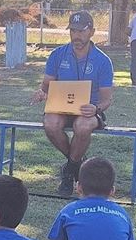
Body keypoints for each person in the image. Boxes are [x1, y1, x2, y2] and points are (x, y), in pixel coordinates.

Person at [30, 10, 114, 196]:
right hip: (62, 107)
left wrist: (96, 108)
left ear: (92, 32)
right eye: (73, 31)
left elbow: (107, 99)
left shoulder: (103, 61)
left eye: (81, 31)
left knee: (83, 126)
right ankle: (76, 164)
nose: (76, 35)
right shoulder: (57, 55)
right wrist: (42, 92)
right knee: (50, 123)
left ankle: (69, 172)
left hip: (88, 111)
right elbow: (46, 85)